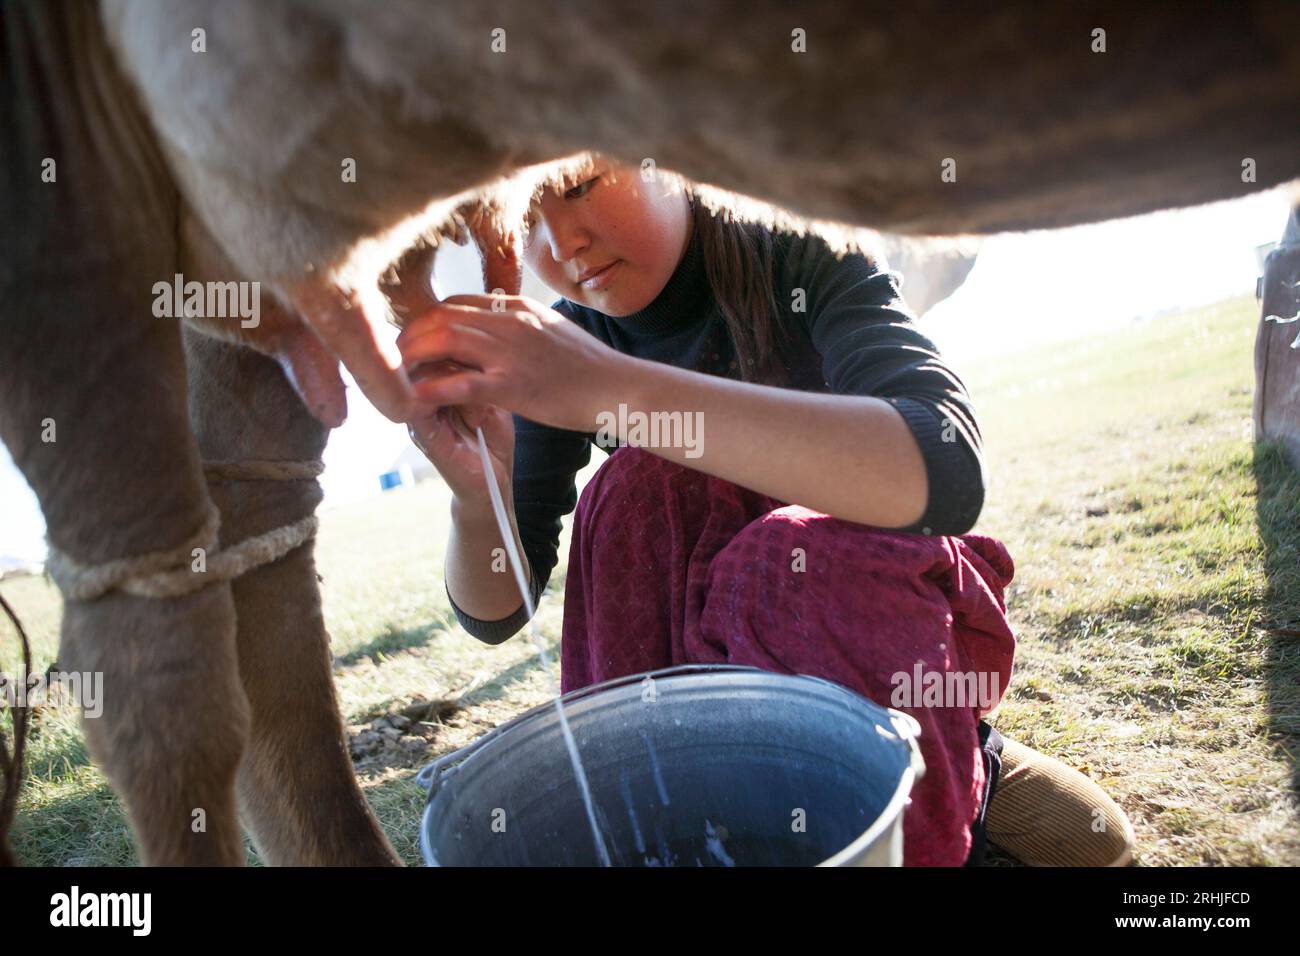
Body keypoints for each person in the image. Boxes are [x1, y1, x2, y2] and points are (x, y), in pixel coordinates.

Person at [398, 155, 1134, 866]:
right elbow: (496, 612)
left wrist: (609, 391)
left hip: (863, 645)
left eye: (583, 184)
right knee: (630, 493)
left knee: (753, 536)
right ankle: (683, 813)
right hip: (708, 719)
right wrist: (475, 491)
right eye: (526, 214)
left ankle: (937, 767)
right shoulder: (566, 345)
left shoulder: (800, 249)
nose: (563, 243)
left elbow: (944, 468)